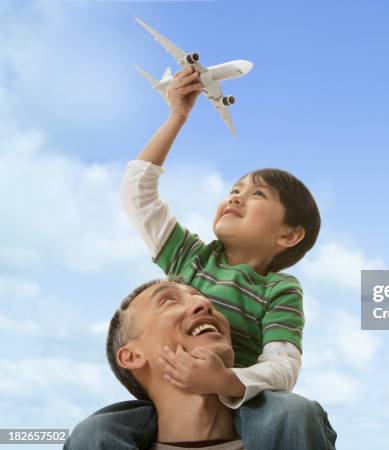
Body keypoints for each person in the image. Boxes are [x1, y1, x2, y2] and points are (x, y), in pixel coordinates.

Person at [66, 66, 336, 449]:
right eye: (234, 189)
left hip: (239, 400)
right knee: (95, 433)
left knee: (291, 414)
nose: (236, 196)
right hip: (172, 398)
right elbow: (137, 193)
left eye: (258, 195)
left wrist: (226, 382)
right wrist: (177, 116)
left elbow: (283, 365)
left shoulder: (280, 290)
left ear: (288, 234)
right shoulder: (190, 260)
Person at [66, 278, 335, 449]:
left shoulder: (295, 425)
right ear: (132, 356)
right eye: (168, 300)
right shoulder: (96, 440)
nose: (204, 302)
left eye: (202, 298)